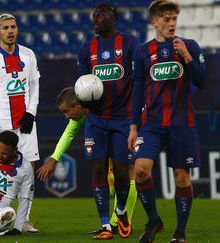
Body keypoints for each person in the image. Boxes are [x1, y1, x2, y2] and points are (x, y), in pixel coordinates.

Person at [128, 1, 206, 242]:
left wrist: (186, 56)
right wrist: (133, 126)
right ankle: (154, 220)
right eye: (166, 19)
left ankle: (180, 233)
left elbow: (202, 81)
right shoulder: (142, 51)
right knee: (140, 170)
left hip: (181, 123)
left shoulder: (189, 45)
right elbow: (138, 89)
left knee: (182, 177)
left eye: (174, 19)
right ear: (154, 22)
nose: (171, 23)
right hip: (151, 123)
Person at [77, 3, 140, 239]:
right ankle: (105, 225)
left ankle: (121, 211)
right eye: (94, 15)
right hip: (97, 120)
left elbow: (140, 77)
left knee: (122, 174)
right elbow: (82, 83)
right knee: (98, 168)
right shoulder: (86, 49)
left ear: (113, 18)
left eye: (100, 14)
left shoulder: (130, 44)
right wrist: (84, 102)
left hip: (123, 120)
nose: (95, 18)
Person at [0, 13, 40, 233]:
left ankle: (24, 220)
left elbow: (34, 86)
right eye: (5, 28)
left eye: (13, 27)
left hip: (25, 124)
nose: (10, 31)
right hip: (0, 125)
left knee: (29, 168)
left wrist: (31, 113)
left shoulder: (29, 55)